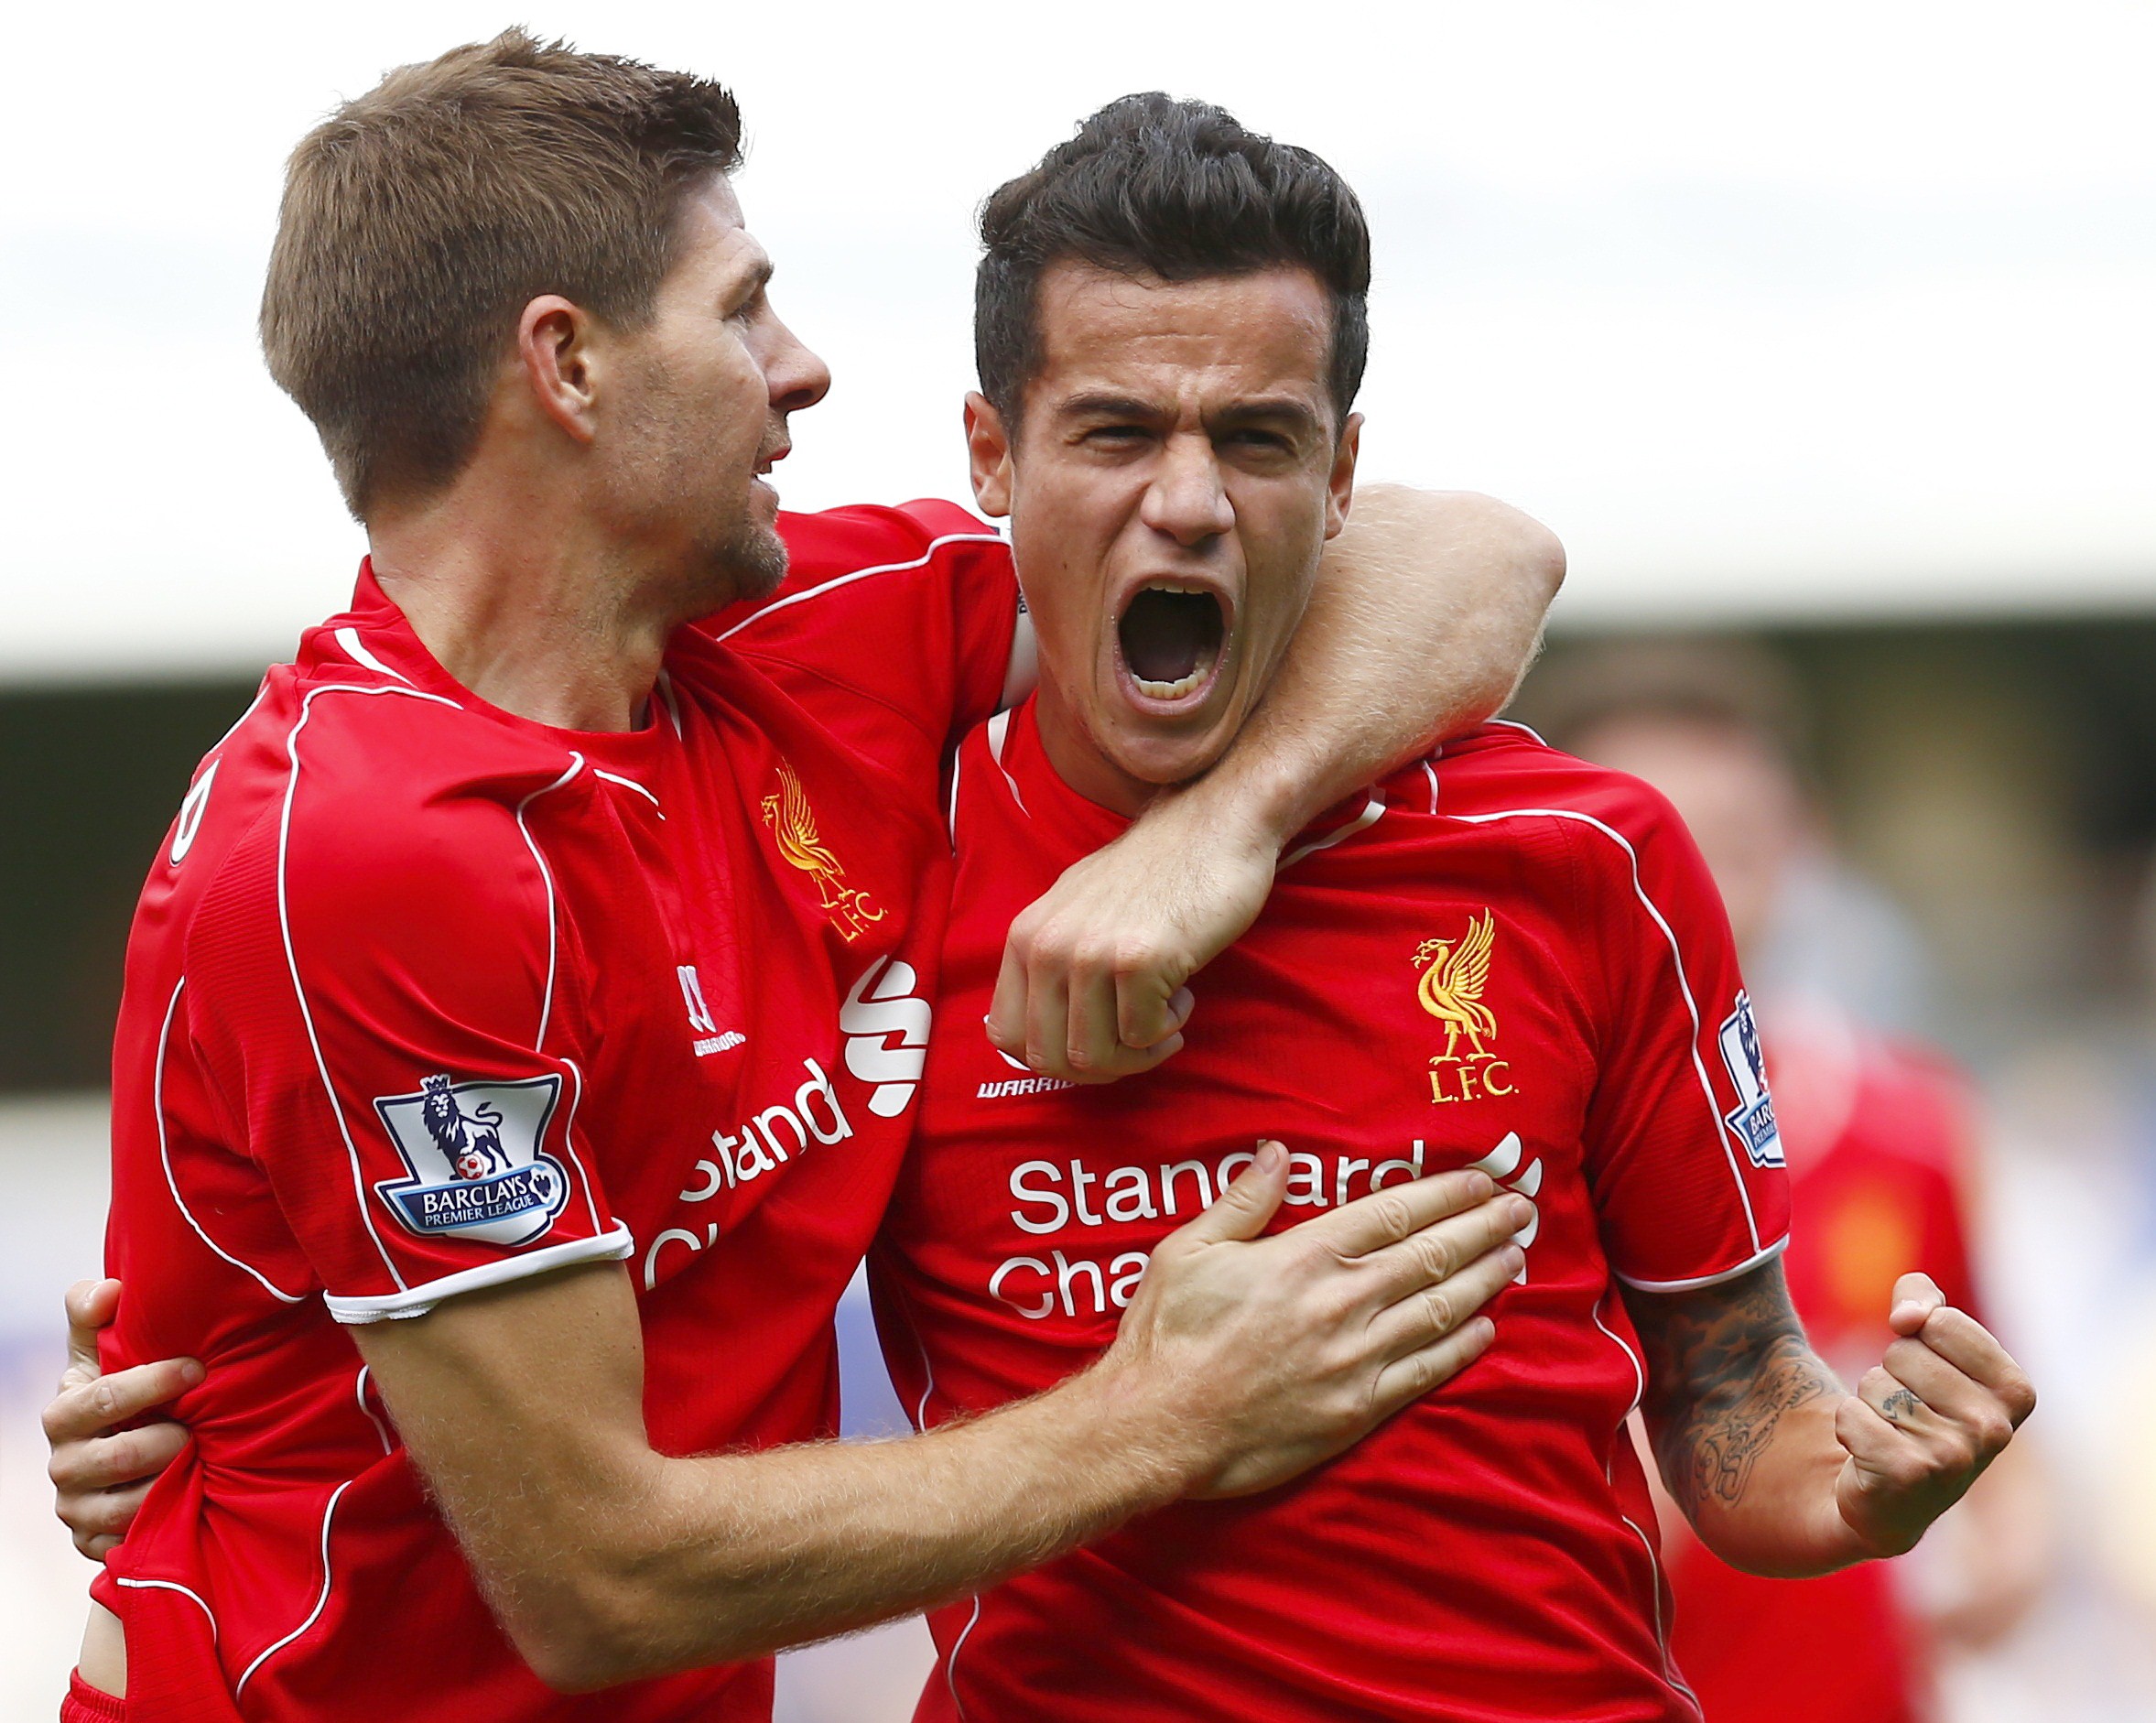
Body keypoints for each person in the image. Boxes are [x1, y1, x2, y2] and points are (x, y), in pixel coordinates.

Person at [37, 36, 1561, 1723]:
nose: (806, 369)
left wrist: (1227, 824)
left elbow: (1473, 550)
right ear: (569, 365)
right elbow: (598, 1573)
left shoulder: (806, 635)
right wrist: (1168, 1412)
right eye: (742, 308)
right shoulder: (375, 845)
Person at [850, 98, 2036, 1720]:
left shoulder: (1582, 850)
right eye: (1118, 431)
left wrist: (1862, 1485)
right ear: (992, 452)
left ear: (1342, 473)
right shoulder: (872, 871)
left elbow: (1736, 1391)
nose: (1189, 501)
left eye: (1257, 438)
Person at [1545, 642, 2053, 1723]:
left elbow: (2004, 1437)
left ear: (1804, 845)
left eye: (1731, 843)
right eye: (1645, 845)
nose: (1695, 888)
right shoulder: (1491, 1156)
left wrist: (2004, 1547)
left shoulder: (1911, 1123)